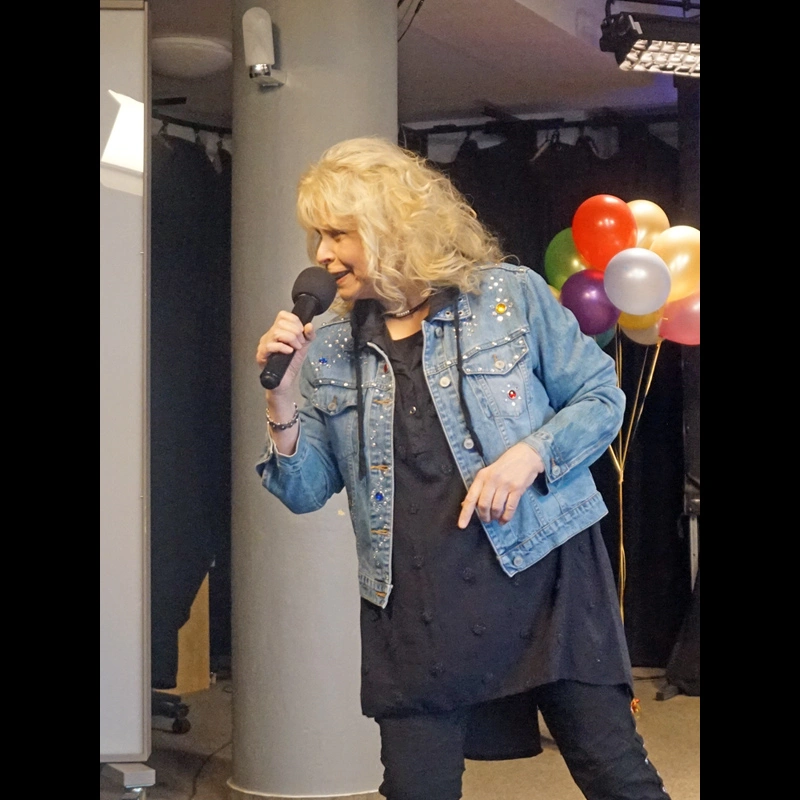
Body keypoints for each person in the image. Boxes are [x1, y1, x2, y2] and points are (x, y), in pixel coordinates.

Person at [255, 136, 671, 800]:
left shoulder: (508, 296)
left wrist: (531, 455)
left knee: (615, 774)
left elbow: (600, 398)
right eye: (317, 236)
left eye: (338, 234)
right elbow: (306, 491)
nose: (322, 255)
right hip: (416, 601)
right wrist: (280, 400)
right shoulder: (328, 346)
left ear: (394, 226)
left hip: (544, 572)